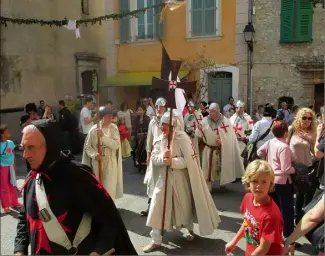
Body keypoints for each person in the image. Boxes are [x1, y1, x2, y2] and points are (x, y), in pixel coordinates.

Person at [14, 119, 137, 255]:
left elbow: (109, 220)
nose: (25, 155)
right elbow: (24, 217)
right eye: (23, 148)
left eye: (31, 147)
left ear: (50, 146)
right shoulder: (32, 178)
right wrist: (20, 249)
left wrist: (98, 251)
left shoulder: (79, 177)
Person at [143, 110, 221, 253]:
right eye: (161, 125)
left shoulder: (183, 139)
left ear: (173, 125)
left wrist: (172, 161)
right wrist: (162, 158)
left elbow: (189, 161)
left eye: (165, 125)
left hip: (180, 180)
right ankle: (156, 240)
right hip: (163, 180)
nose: (162, 128)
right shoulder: (159, 139)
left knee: (183, 207)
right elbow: (154, 158)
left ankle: (189, 229)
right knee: (156, 206)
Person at [225, 160, 284, 256]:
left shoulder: (271, 215)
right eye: (255, 181)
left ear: (271, 183)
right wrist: (234, 242)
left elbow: (263, 249)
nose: (259, 186)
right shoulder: (248, 198)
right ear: (248, 182)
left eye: (264, 182)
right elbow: (246, 223)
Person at [257, 121, 296, 239]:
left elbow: (259, 152)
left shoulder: (270, 142)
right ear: (285, 133)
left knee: (273, 210)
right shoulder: (284, 147)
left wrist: (268, 163)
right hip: (283, 183)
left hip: (271, 180)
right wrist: (296, 170)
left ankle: (273, 234)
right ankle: (288, 237)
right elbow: (286, 169)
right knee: (287, 211)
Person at [194, 103, 244, 191]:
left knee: (222, 166)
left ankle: (223, 183)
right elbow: (199, 135)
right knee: (207, 168)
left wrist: (223, 141)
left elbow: (230, 137)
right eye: (210, 111)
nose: (211, 113)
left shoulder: (225, 120)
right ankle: (208, 185)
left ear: (217, 111)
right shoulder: (205, 120)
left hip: (221, 149)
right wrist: (199, 129)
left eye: (213, 111)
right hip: (209, 149)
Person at [82, 107, 123, 201]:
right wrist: (95, 155)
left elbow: (116, 145)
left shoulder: (113, 128)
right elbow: (87, 147)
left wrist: (103, 137)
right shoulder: (93, 130)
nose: (110, 119)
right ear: (101, 117)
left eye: (111, 116)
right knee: (98, 188)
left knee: (109, 188)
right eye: (108, 116)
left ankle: (110, 209)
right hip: (98, 163)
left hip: (110, 162)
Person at [288, 107, 317, 224]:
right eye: (304, 117)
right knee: (291, 193)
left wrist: (310, 140)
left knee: (303, 194)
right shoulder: (291, 129)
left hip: (307, 167)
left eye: (310, 118)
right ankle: (290, 216)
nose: (307, 120)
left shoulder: (313, 132)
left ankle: (298, 217)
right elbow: (285, 147)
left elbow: (316, 152)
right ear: (299, 118)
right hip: (293, 167)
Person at [141, 97, 167, 216]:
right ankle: (150, 206)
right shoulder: (152, 121)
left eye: (161, 106)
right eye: (157, 106)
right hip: (155, 154)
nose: (158, 109)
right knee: (152, 181)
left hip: (166, 153)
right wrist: (148, 155)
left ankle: (165, 208)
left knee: (165, 181)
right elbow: (149, 139)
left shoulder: (169, 119)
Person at [0, 125, 22, 213]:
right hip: (2, 167)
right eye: (7, 132)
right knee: (4, 186)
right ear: (1, 134)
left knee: (13, 184)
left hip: (11, 166)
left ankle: (14, 202)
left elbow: (12, 153)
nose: (9, 133)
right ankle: (6, 205)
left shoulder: (10, 143)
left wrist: (14, 165)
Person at [132, 104, 150, 173]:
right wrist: (133, 135)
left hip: (145, 137)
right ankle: (138, 166)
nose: (139, 111)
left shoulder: (147, 118)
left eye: (140, 110)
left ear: (144, 111)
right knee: (137, 151)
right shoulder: (136, 119)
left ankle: (144, 167)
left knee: (144, 152)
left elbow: (149, 129)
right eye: (138, 110)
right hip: (138, 137)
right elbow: (134, 128)